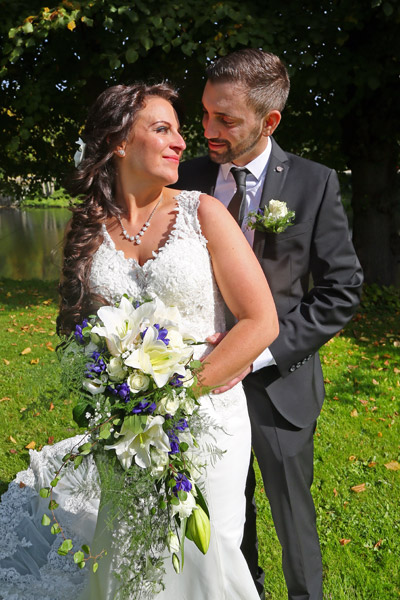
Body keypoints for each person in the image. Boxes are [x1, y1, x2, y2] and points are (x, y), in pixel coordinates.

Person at [0, 82, 278, 600]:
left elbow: (261, 321)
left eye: (179, 130)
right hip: (127, 427)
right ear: (120, 142)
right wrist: (113, 397)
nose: (181, 142)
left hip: (209, 416)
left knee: (209, 550)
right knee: (128, 549)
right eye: (162, 129)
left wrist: (175, 397)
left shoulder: (203, 213)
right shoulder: (88, 228)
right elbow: (79, 334)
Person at [176, 49, 364, 600]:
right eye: (205, 112)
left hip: (280, 381)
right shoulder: (186, 179)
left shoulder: (314, 183)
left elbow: (341, 290)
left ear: (269, 121)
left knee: (292, 516)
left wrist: (256, 353)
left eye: (225, 119)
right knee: (224, 515)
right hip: (203, 379)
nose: (207, 129)